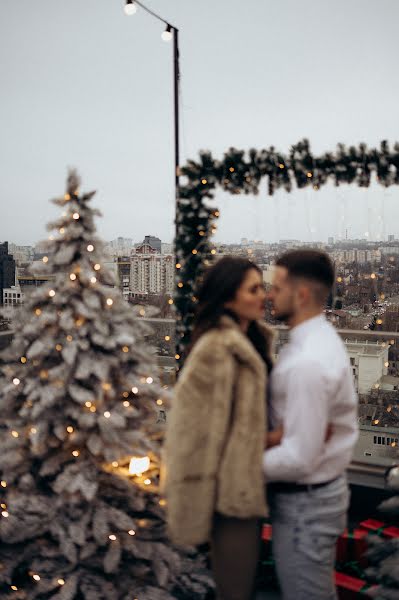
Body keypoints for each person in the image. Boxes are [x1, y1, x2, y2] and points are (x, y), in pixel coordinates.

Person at [163, 256, 274, 600]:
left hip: (246, 483)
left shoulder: (251, 340)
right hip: (228, 492)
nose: (264, 296)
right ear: (228, 297)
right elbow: (196, 431)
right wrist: (273, 438)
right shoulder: (216, 350)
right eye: (254, 289)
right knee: (235, 587)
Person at [263, 249, 359, 600]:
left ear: (301, 294)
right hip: (314, 501)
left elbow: (298, 458)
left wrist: (230, 468)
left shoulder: (307, 361)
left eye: (276, 287)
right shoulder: (317, 341)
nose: (269, 295)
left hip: (306, 508)